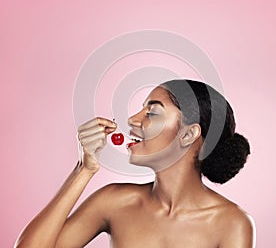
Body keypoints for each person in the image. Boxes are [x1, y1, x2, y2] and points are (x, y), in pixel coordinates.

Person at [14, 79, 255, 248]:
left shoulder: (232, 223)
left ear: (188, 134)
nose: (132, 120)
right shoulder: (114, 202)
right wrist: (84, 169)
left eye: (151, 113)